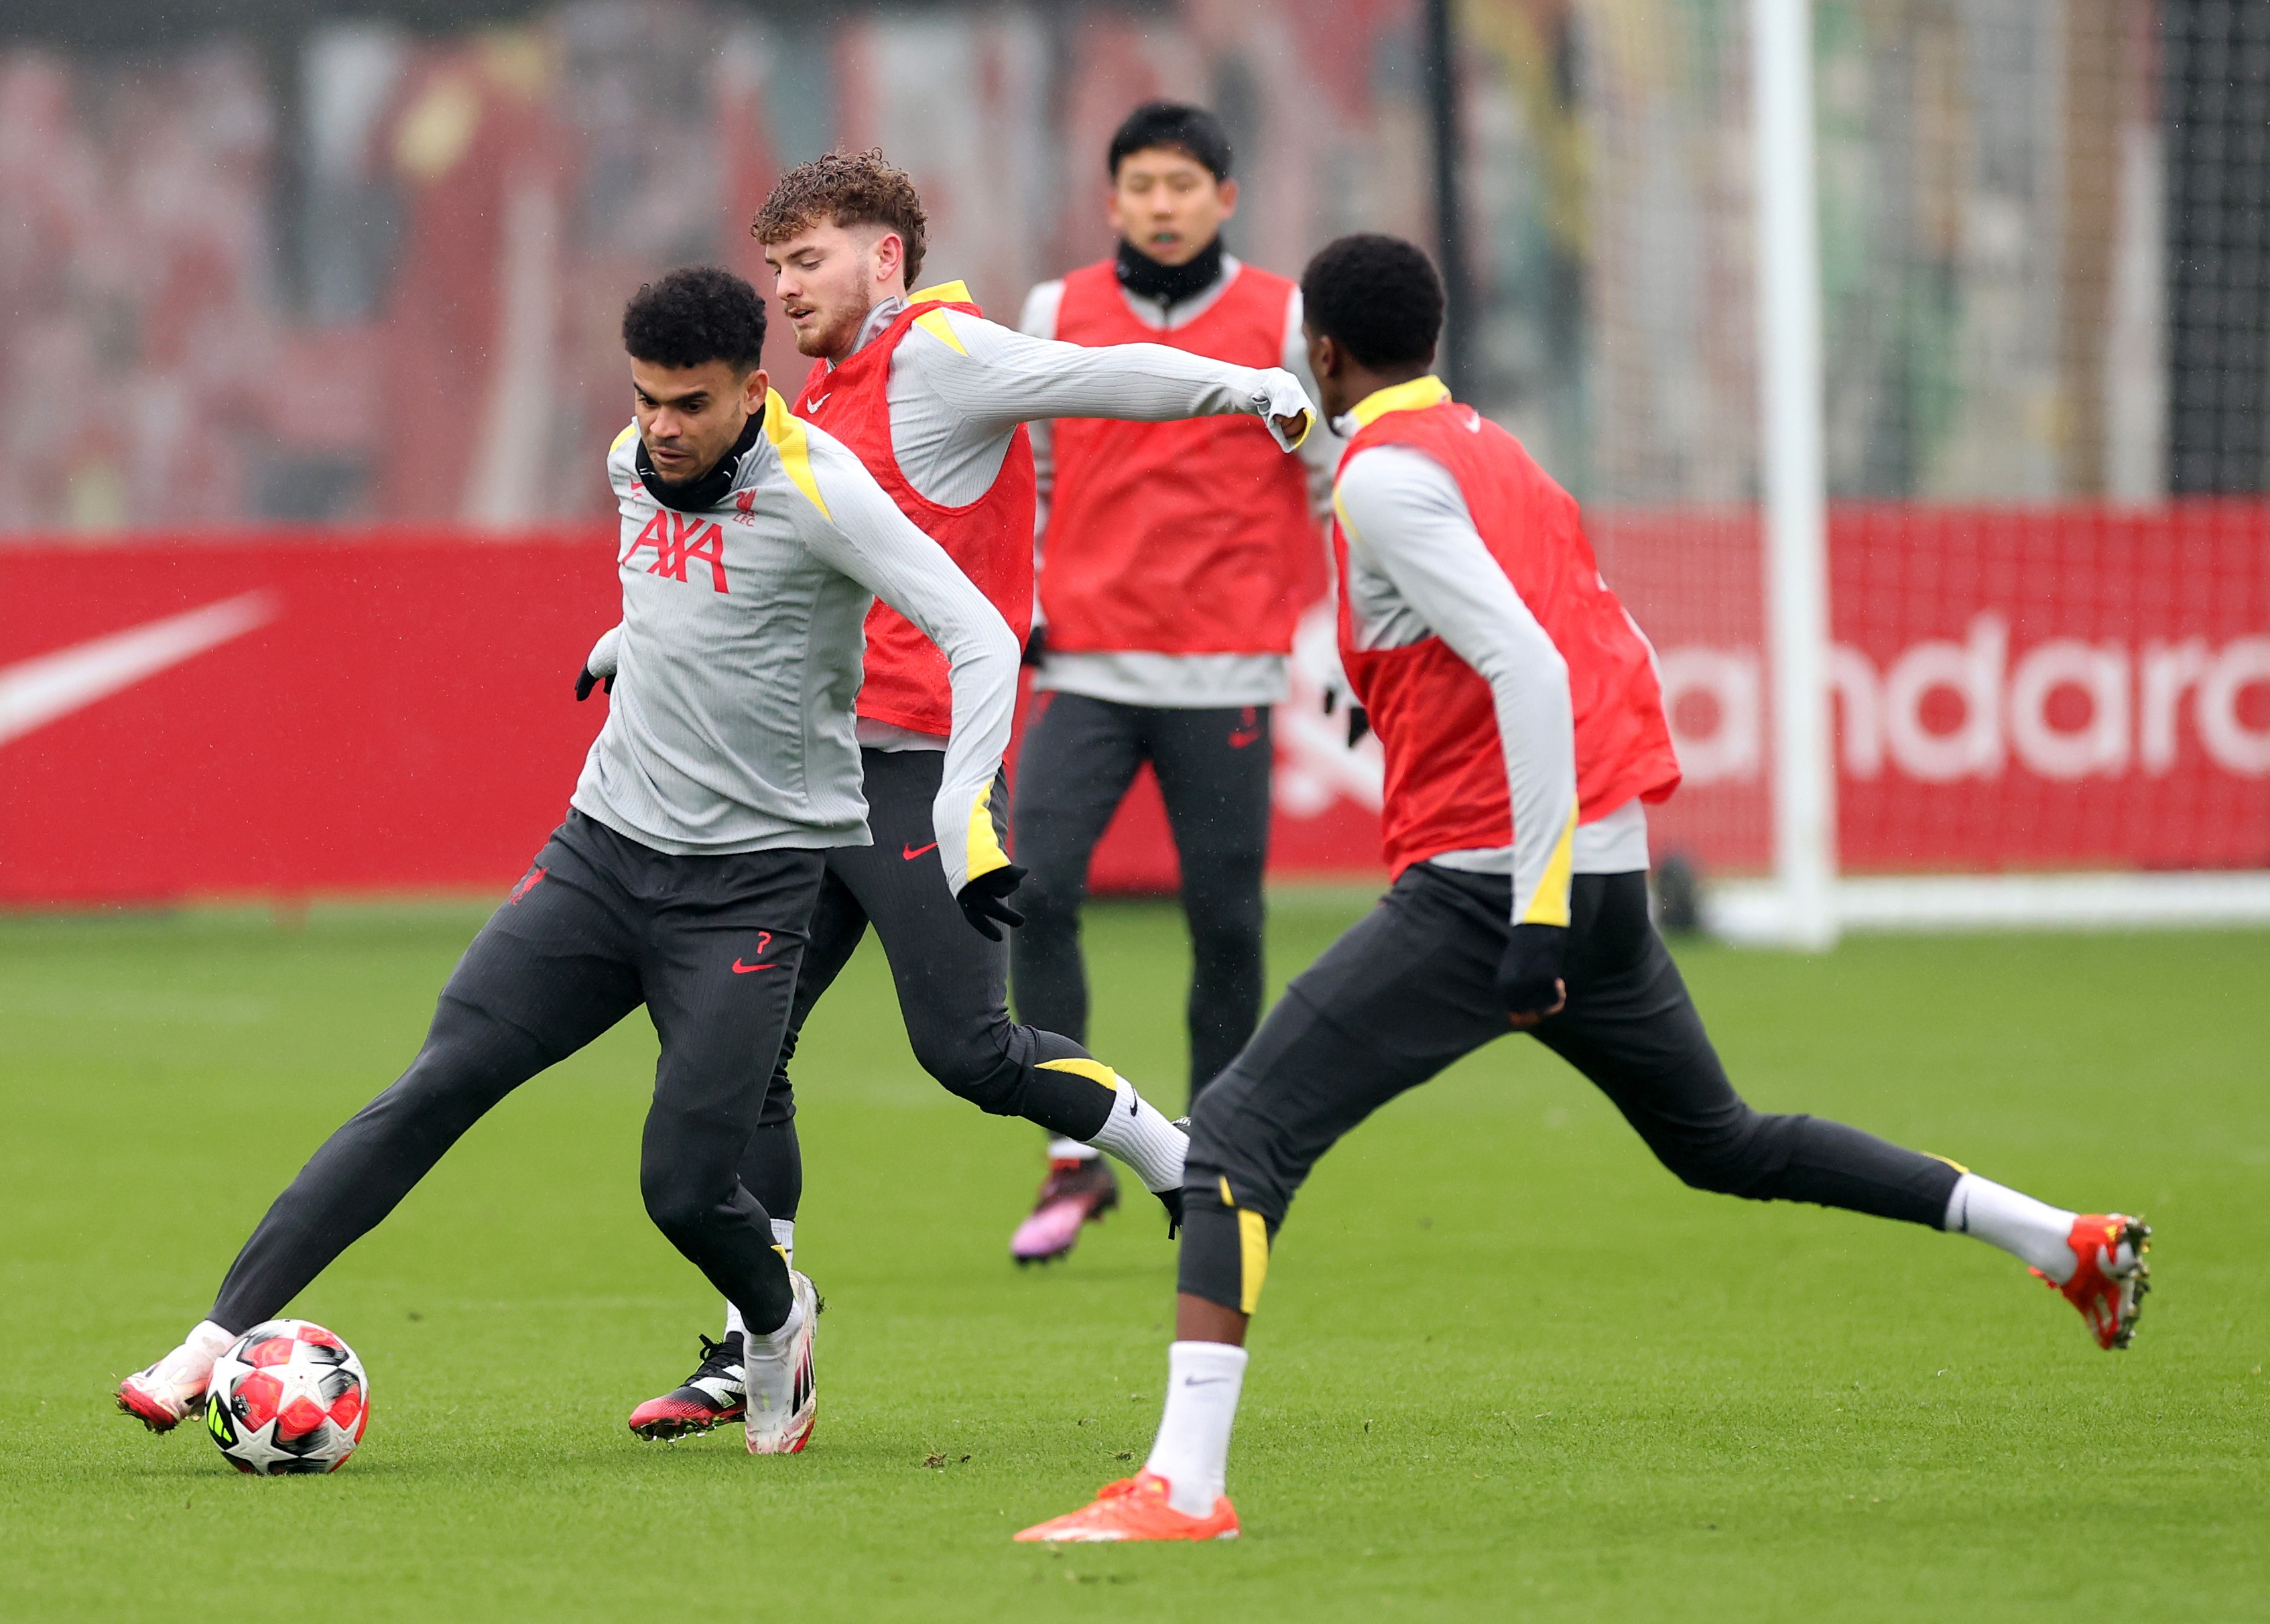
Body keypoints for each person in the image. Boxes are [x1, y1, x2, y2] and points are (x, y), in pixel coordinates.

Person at [1014, 235, 2153, 1542]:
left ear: (1319, 351)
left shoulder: (1380, 476)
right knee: (1721, 1142)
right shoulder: (1497, 451)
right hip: (1601, 873)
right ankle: (2059, 1239)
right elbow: (1605, 642)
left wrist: (1533, 914)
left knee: (1238, 1136)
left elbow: (1538, 673)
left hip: (1494, 892)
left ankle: (1186, 1488)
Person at [117, 266, 1026, 1458]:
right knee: (434, 1086)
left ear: (755, 393)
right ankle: (210, 1341)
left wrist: (965, 808)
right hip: (602, 857)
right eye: (645, 398)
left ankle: (777, 1323)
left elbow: (978, 633)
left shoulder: (822, 490)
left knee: (685, 1191)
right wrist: (619, 648)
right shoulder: (624, 464)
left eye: (690, 404)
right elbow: (679, 610)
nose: (660, 426)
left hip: (749, 892)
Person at [611, 149, 1320, 1438]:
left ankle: (1185, 1167)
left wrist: (1250, 386)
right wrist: (630, 643)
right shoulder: (816, 397)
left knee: (967, 1052)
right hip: (808, 774)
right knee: (745, 1053)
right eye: (773, 267)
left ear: (885, 258)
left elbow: (1101, 375)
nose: (784, 288)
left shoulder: (940, 356)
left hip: (918, 768)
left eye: (807, 260)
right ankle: (753, 1336)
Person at [1011, 102, 1339, 1262]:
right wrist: (1031, 604)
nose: (1161, 203)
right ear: (1111, 200)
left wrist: (1338, 639)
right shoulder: (1055, 312)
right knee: (1031, 891)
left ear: (1224, 200)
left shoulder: (1286, 320)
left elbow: (1331, 485)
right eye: (1140, 184)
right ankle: (1073, 1153)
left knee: (1226, 923)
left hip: (1224, 670)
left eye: (1182, 185)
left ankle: (1219, 1154)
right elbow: (1032, 471)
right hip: (1087, 665)